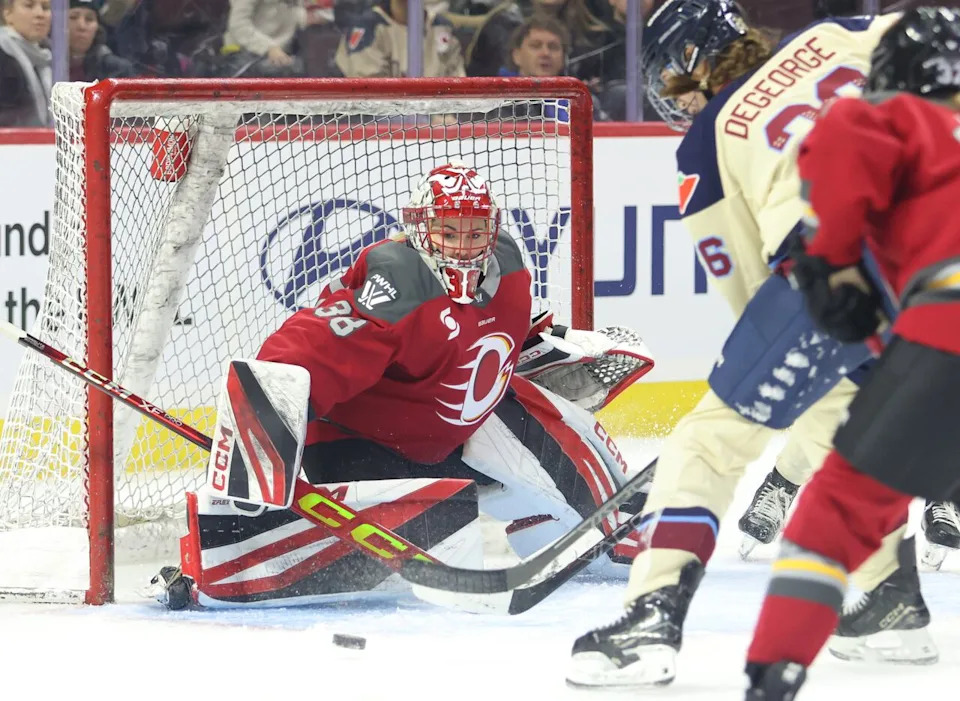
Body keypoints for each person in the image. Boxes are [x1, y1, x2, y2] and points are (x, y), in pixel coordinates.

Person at [565, 0, 907, 689]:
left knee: (710, 438)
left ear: (696, 59)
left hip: (847, 262)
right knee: (846, 419)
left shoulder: (706, 142)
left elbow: (755, 296)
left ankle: (649, 616)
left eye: (672, 82)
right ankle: (890, 604)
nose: (671, 99)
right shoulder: (833, 33)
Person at [152, 162, 654, 609]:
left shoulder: (509, 262)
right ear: (421, 230)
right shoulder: (398, 281)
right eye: (448, 231)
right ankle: (232, 563)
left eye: (475, 231)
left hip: (453, 430)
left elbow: (494, 337)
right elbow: (311, 345)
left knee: (569, 438)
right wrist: (264, 426)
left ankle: (611, 531)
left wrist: (551, 345)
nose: (463, 244)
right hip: (363, 444)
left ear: (492, 229)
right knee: (440, 535)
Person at [743, 8, 960, 698]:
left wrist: (829, 269)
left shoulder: (877, 118)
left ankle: (771, 675)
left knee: (833, 513)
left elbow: (837, 242)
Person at [334, 0, 466, 78]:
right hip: (381, 120)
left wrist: (443, 115)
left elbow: (458, 82)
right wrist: (429, 118)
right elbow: (370, 93)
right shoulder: (367, 27)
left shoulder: (441, 27)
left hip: (441, 118)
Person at [0, 0, 52, 127]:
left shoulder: (48, 57)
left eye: (45, 7)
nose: (40, 14)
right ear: (7, 13)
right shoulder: (3, 56)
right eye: (29, 5)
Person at [68, 0, 135, 81]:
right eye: (73, 17)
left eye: (89, 19)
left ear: (98, 28)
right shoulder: (49, 66)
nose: (82, 26)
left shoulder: (117, 71)